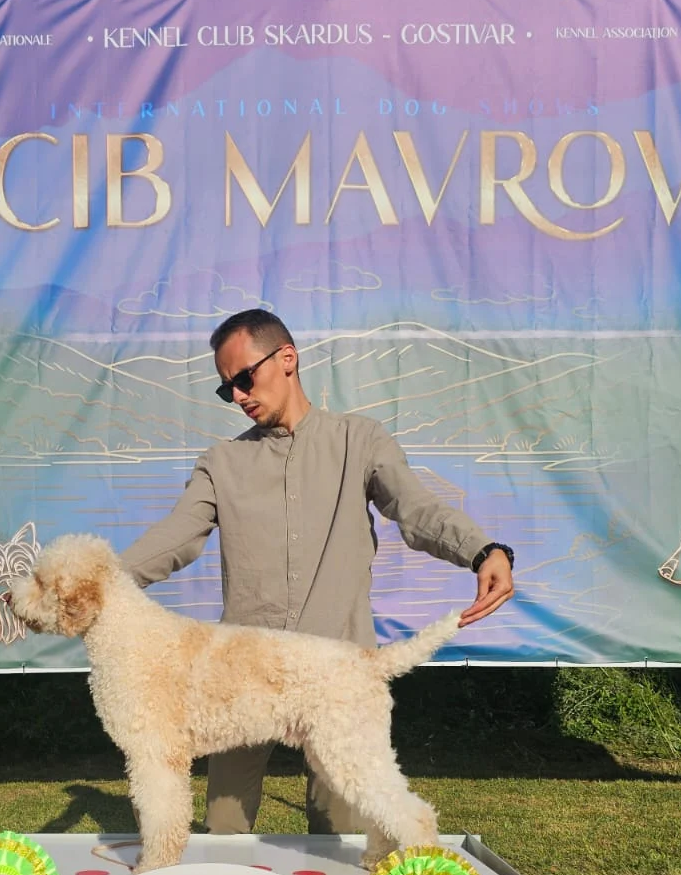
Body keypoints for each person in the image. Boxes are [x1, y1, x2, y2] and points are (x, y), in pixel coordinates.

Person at [120, 308, 515, 836]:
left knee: (344, 833)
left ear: (287, 359)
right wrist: (82, 586)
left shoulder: (362, 440)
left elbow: (416, 509)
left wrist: (483, 549)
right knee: (224, 832)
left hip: (339, 677)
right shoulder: (220, 463)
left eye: (243, 379)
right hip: (238, 678)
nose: (237, 396)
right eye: (225, 389)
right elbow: (173, 538)